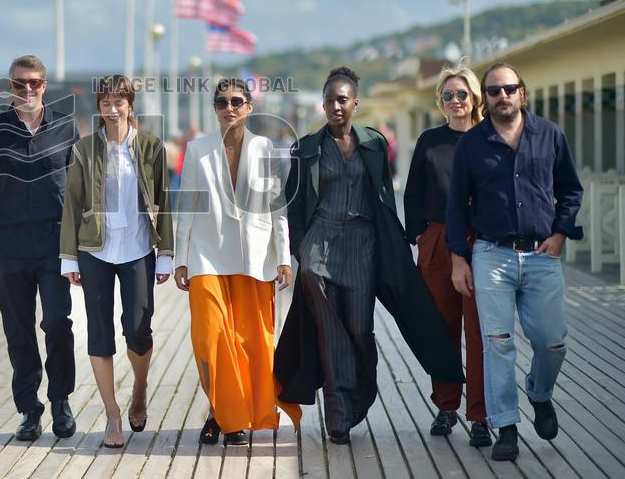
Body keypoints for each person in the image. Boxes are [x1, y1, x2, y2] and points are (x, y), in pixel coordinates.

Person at [275, 67, 463, 445]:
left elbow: (384, 199)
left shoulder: (375, 144)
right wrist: (300, 248)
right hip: (320, 244)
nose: (335, 106)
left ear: (355, 103)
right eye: (329, 100)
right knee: (330, 330)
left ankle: (358, 396)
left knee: (359, 328)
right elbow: (294, 203)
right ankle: (338, 416)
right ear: (323, 104)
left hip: (363, 243)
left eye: (342, 100)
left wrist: (394, 242)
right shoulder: (307, 148)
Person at [446, 62, 583, 462]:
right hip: (491, 255)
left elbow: (571, 191)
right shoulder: (471, 144)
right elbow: (456, 206)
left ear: (522, 92)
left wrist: (560, 234)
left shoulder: (551, 135)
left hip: (542, 255)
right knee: (498, 343)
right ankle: (506, 426)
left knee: (552, 342)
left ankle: (539, 393)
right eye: (493, 91)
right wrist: (458, 259)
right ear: (485, 99)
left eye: (508, 89)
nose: (502, 96)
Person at [173, 78, 300, 446]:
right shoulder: (197, 149)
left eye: (236, 101)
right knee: (211, 337)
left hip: (254, 257)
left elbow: (277, 207)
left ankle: (226, 418)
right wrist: (181, 259)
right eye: (222, 102)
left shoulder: (265, 148)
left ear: (249, 107)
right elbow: (186, 205)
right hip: (205, 256)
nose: (229, 108)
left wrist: (284, 256)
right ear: (215, 108)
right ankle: (224, 412)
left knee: (249, 341)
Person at [60, 74, 174, 448]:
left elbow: (163, 201)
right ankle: (112, 414)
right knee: (99, 331)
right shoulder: (84, 149)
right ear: (99, 106)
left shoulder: (151, 147)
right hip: (95, 250)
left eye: (119, 102)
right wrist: (69, 258)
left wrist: (165, 255)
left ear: (130, 105)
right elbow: (72, 204)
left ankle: (139, 390)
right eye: (106, 103)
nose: (112, 110)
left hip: (138, 249)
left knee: (138, 330)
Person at [0, 55, 79, 441]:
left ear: (44, 85)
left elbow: (77, 183)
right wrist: (5, 216)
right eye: (20, 83)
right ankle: (29, 409)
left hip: (54, 243)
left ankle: (60, 401)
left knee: (57, 322)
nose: (28, 89)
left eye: (34, 82)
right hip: (11, 246)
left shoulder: (66, 127)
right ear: (11, 87)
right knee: (18, 329)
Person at [403, 64, 490, 446]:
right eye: (448, 95)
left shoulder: (490, 138)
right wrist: (420, 236)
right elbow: (413, 192)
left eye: (462, 94)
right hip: (437, 240)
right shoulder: (430, 140)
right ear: (441, 102)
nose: (455, 101)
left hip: (482, 241)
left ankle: (480, 414)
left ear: (475, 98)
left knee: (480, 331)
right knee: (442, 327)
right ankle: (446, 404)